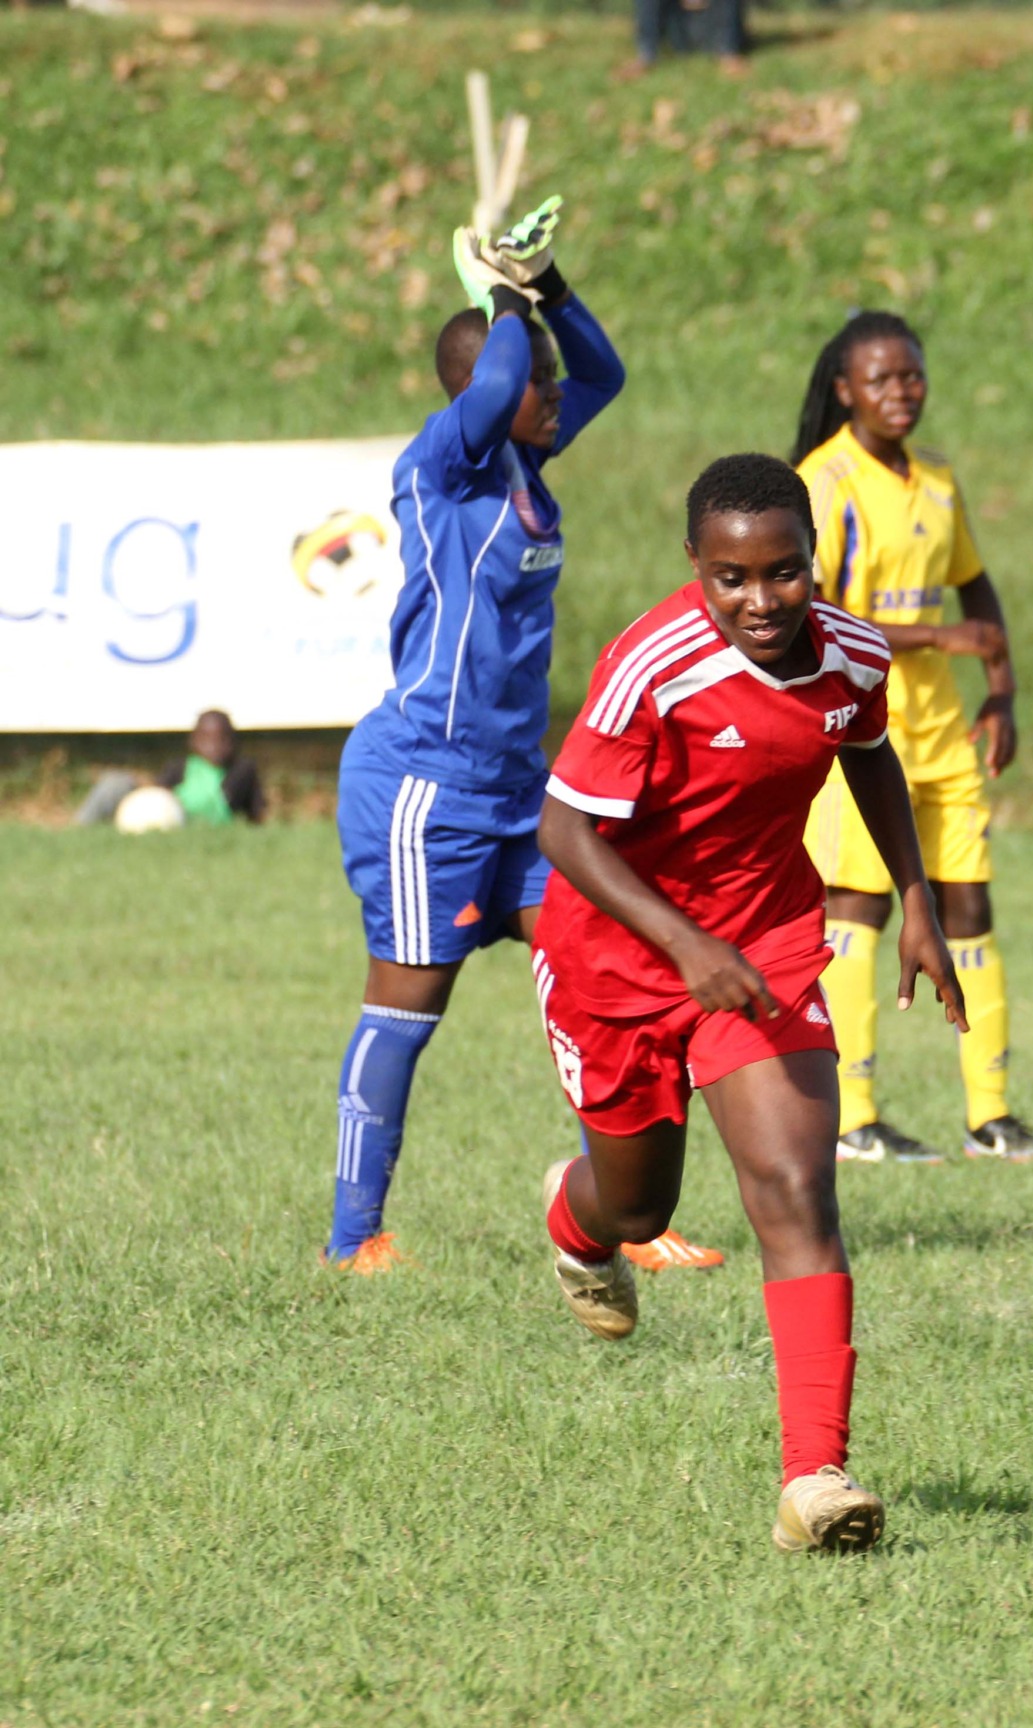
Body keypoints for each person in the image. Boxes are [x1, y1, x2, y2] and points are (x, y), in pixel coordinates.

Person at [533, 453, 965, 1553]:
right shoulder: (650, 664)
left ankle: (815, 1475)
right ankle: (574, 1218)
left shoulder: (855, 653)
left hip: (763, 946)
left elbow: (867, 753)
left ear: (812, 562)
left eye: (782, 573)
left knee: (793, 1182)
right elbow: (566, 832)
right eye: (731, 577)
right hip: (622, 957)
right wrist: (682, 945)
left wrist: (916, 899)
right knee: (637, 1206)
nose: (760, 601)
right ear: (695, 565)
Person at [324, 201, 719, 1276]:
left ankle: (624, 1207)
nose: (552, 393)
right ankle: (352, 1236)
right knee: (408, 1008)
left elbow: (608, 372)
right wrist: (495, 293)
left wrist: (543, 281)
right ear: (480, 388)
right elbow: (502, 383)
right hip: (422, 786)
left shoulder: (525, 467)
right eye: (535, 379)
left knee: (623, 971)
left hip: (517, 791)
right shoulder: (443, 466)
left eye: (541, 378)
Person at [790, 311, 1033, 1166]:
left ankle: (992, 1115)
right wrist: (939, 640)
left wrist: (1002, 697)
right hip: (859, 728)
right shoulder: (822, 482)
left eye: (912, 376)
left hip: (941, 733)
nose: (900, 394)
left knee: (968, 907)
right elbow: (814, 617)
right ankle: (851, 1116)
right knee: (858, 911)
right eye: (880, 379)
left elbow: (979, 591)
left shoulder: (937, 480)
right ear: (844, 389)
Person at [72, 709, 265, 827]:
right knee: (115, 782)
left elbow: (256, 814)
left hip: (191, 824)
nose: (215, 747)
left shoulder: (242, 770)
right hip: (167, 814)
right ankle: (80, 828)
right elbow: (157, 794)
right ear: (193, 741)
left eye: (223, 739)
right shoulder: (182, 767)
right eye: (207, 739)